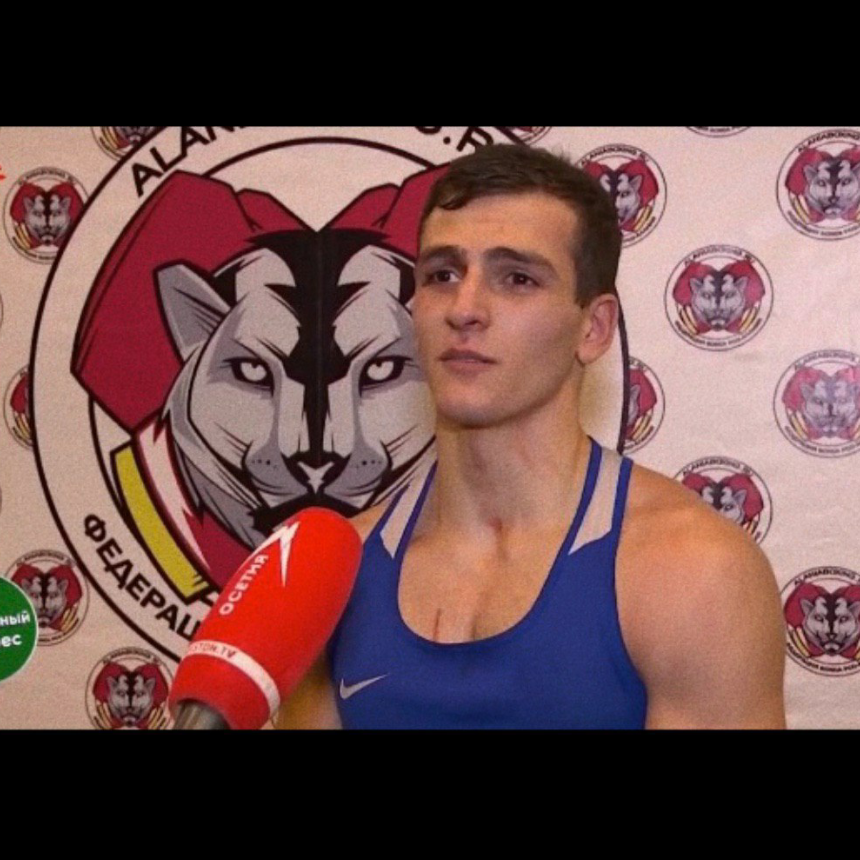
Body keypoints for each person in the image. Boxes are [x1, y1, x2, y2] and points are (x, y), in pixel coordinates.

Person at [276, 143, 786, 729]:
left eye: (516, 278)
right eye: (442, 275)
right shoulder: (331, 572)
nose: (464, 308)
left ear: (593, 329)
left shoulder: (691, 572)